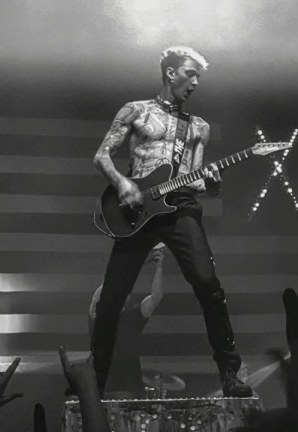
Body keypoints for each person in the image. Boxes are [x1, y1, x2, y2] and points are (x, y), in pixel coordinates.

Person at [90, 46, 251, 397]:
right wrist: (122, 183)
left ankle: (229, 373)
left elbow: (194, 178)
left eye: (198, 77)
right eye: (190, 74)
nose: (195, 82)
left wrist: (213, 186)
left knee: (208, 284)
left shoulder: (198, 127)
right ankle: (94, 381)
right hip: (136, 212)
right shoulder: (135, 111)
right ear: (170, 72)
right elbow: (101, 156)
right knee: (112, 298)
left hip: (179, 208)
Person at [88, 243, 166, 397]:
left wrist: (159, 268)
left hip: (131, 388)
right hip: (105, 389)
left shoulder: (134, 316)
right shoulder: (99, 316)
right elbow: (97, 297)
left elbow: (156, 297)